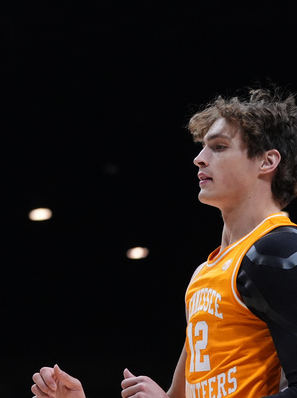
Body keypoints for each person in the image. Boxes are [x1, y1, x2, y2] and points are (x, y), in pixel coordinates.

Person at [31, 88, 297, 398]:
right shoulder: (205, 272)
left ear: (267, 161)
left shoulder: (279, 251)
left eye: (219, 147)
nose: (199, 159)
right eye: (202, 148)